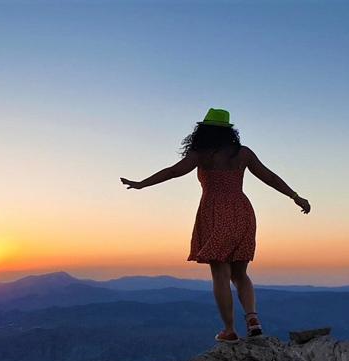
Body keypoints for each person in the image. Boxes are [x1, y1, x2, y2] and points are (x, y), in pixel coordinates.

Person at [120, 108, 311, 343]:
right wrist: (295, 196)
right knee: (240, 274)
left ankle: (229, 330)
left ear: (204, 130)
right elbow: (269, 177)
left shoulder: (201, 154)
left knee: (221, 274)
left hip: (214, 212)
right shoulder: (243, 154)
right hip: (242, 212)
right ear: (230, 132)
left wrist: (141, 184)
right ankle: (253, 319)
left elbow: (173, 172)